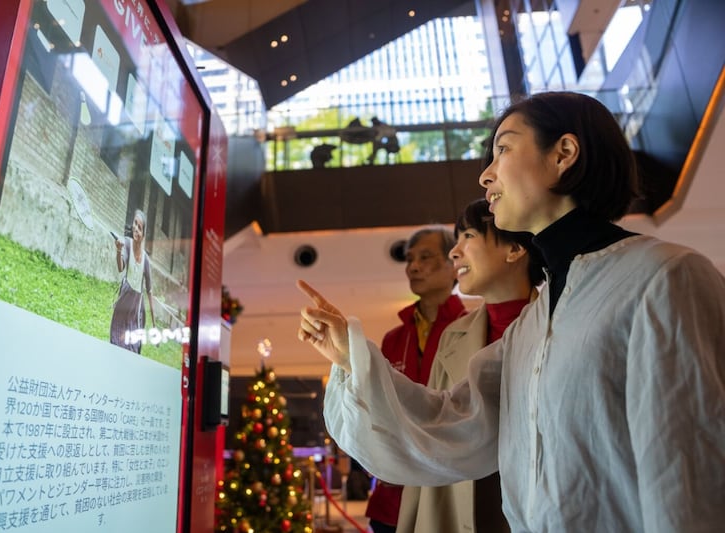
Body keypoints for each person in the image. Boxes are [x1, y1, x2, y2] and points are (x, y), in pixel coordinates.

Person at [297, 91, 725, 532]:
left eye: (503, 148)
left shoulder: (664, 277)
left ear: (563, 153)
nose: (485, 175)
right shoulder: (531, 326)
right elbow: (457, 423)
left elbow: (688, 477)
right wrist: (351, 358)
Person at [397, 198, 544, 533]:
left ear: (515, 249)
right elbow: (432, 429)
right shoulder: (454, 336)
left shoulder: (559, 325)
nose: (454, 252)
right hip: (462, 500)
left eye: (469, 236)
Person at [363, 226, 466, 533]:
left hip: (451, 489)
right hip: (393, 497)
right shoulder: (394, 338)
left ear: (453, 265)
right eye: (409, 259)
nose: (413, 267)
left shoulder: (473, 328)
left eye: (425, 257)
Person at [110, 209, 156, 353]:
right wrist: (118, 251)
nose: (136, 228)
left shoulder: (146, 261)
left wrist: (154, 325)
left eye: (140, 227)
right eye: (135, 224)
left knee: (133, 347)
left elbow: (149, 292)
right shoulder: (127, 244)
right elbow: (120, 267)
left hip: (136, 309)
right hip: (124, 301)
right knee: (117, 340)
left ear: (143, 234)